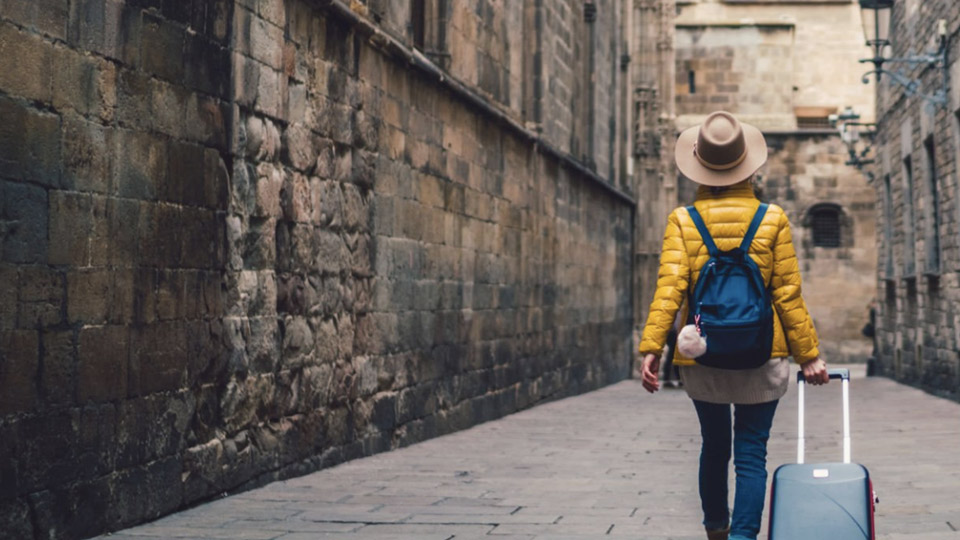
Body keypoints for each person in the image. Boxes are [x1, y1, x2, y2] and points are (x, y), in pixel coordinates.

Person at [638, 111, 829, 540]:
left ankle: (716, 531)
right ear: (750, 166)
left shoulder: (683, 220)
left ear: (698, 166)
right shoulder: (772, 218)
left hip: (702, 355)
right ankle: (744, 536)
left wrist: (652, 347)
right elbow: (787, 293)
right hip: (763, 355)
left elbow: (669, 288)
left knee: (714, 447)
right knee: (750, 454)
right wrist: (809, 356)